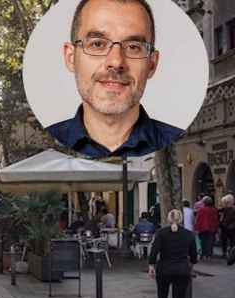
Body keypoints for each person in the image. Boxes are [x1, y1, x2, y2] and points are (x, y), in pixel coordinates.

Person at [45, 0, 182, 158]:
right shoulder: (53, 140)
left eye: (133, 47)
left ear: (152, 63)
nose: (116, 62)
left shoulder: (171, 138)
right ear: (71, 58)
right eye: (97, 44)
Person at [148, 209, 198, 298]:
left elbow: (154, 251)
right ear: (181, 219)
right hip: (181, 270)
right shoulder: (189, 234)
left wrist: (151, 265)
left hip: (164, 269)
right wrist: (191, 263)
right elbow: (194, 255)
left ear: (169, 219)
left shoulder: (161, 233)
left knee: (162, 296)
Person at [195, 196, 219, 261]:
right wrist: (216, 229)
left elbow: (198, 219)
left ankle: (203, 255)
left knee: (203, 242)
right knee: (210, 242)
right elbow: (216, 219)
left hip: (203, 228)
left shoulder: (201, 210)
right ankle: (209, 255)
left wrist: (197, 228)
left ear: (204, 203)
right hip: (212, 228)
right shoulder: (214, 210)